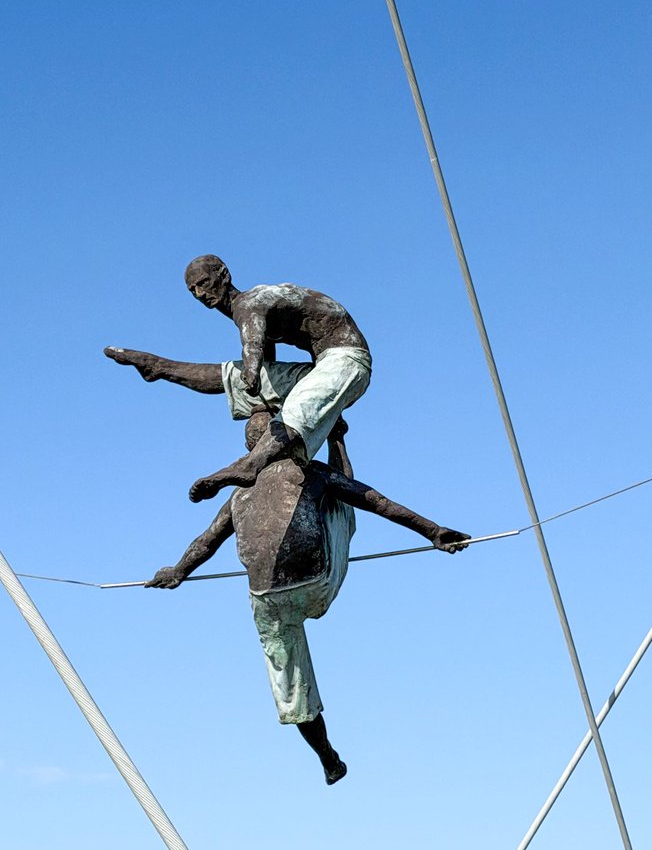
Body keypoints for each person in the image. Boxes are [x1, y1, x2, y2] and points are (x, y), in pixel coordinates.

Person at [145, 412, 469, 784]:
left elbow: (205, 543)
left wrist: (178, 571)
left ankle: (329, 759)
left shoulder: (237, 497)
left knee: (292, 692)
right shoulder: (308, 472)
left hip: (267, 600)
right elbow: (377, 501)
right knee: (343, 501)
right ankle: (338, 438)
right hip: (318, 583)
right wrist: (433, 531)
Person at [105, 255, 371, 502]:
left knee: (300, 402)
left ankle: (250, 465)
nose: (200, 294)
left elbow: (252, 346)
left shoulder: (248, 303)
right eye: (193, 290)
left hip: (348, 360)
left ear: (224, 275)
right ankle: (159, 367)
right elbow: (266, 364)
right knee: (234, 375)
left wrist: (253, 372)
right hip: (322, 365)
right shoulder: (249, 310)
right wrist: (257, 385)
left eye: (204, 283)